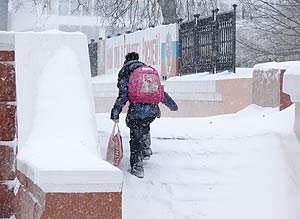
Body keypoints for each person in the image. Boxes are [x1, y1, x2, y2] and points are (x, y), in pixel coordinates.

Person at [111, 52, 178, 178]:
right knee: (145, 125)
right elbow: (160, 91)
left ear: (126, 61)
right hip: (152, 109)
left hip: (136, 109)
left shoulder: (126, 71)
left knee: (135, 135)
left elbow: (123, 94)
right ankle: (146, 149)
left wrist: (115, 111)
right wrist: (172, 105)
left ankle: (137, 167)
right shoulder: (146, 72)